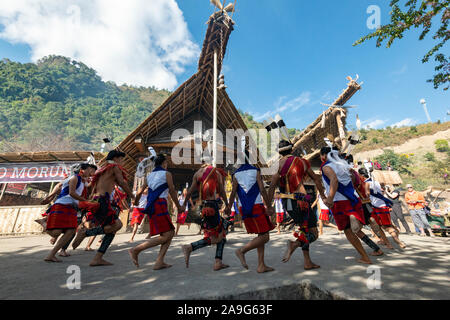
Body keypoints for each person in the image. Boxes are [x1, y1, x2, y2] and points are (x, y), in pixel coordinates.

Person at [267, 140, 327, 270]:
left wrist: (269, 206)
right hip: (301, 201)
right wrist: (323, 196)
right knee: (313, 233)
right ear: (292, 149)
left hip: (287, 202)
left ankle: (307, 262)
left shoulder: (277, 165)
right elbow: (316, 179)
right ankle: (294, 245)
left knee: (304, 230)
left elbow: (272, 187)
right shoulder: (302, 162)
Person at [72, 150, 135, 266]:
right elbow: (122, 182)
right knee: (118, 225)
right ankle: (86, 233)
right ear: (116, 158)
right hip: (102, 201)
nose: (123, 162)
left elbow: (91, 186)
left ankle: (98, 258)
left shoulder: (102, 169)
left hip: (97, 200)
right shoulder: (114, 167)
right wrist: (132, 196)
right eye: (122, 159)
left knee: (112, 229)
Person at [320, 148, 375, 265]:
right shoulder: (344, 166)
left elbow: (334, 180)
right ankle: (374, 248)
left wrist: (329, 198)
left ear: (324, 155)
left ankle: (365, 256)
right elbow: (354, 180)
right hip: (353, 198)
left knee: (347, 230)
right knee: (357, 229)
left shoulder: (326, 167)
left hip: (339, 201)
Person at [128, 154, 181, 270]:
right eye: (166, 163)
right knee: (167, 235)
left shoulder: (150, 176)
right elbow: (172, 191)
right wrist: (179, 207)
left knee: (169, 233)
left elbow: (140, 191)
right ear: (164, 163)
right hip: (160, 205)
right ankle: (136, 249)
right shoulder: (167, 174)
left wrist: (136, 202)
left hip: (152, 205)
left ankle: (159, 261)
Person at [227, 155, 275, 273]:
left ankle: (261, 265)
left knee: (261, 234)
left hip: (244, 207)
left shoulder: (235, 175)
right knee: (265, 236)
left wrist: (228, 207)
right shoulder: (255, 171)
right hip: (256, 205)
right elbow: (262, 190)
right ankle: (242, 251)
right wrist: (269, 206)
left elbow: (233, 192)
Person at [181, 158, 231, 271]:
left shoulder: (197, 173)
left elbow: (189, 192)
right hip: (212, 206)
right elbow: (222, 191)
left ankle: (218, 262)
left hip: (204, 207)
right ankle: (190, 247)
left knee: (220, 234)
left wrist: (184, 205)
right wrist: (227, 205)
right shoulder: (216, 172)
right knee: (218, 236)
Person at [44, 163, 97, 262]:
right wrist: (85, 201)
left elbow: (90, 185)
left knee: (71, 231)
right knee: (56, 232)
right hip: (62, 205)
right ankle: (45, 224)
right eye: (89, 169)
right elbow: (71, 193)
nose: (91, 172)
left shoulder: (82, 181)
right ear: (82, 170)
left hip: (72, 207)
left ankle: (51, 255)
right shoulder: (74, 178)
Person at [364, 174, 406, 248]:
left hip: (374, 207)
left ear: (362, 175)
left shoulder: (365, 183)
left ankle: (388, 244)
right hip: (383, 205)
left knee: (379, 227)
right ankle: (397, 239)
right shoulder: (376, 182)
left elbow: (367, 194)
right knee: (388, 225)